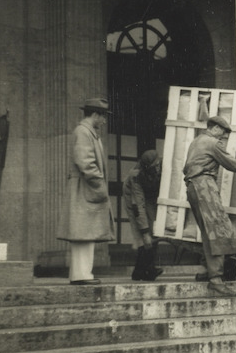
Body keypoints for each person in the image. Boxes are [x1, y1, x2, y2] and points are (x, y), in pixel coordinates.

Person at [183, 116, 236, 296]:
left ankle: (210, 272)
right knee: (218, 231)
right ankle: (216, 280)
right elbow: (231, 164)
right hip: (204, 187)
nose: (223, 137)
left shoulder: (197, 141)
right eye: (223, 133)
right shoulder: (211, 143)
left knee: (207, 231)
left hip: (193, 187)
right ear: (215, 128)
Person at [57, 98, 115, 285]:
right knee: (83, 232)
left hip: (86, 187)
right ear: (95, 115)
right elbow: (86, 163)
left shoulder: (89, 133)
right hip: (85, 187)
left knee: (85, 232)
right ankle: (81, 275)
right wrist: (99, 185)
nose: (104, 121)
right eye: (103, 116)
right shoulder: (83, 132)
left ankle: (82, 274)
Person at [123, 149, 163, 281]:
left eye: (158, 165)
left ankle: (148, 269)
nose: (158, 168)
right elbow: (138, 205)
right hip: (134, 200)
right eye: (154, 167)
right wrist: (145, 232)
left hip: (150, 197)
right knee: (144, 235)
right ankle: (139, 271)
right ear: (147, 167)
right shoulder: (136, 176)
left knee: (155, 231)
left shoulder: (162, 165)